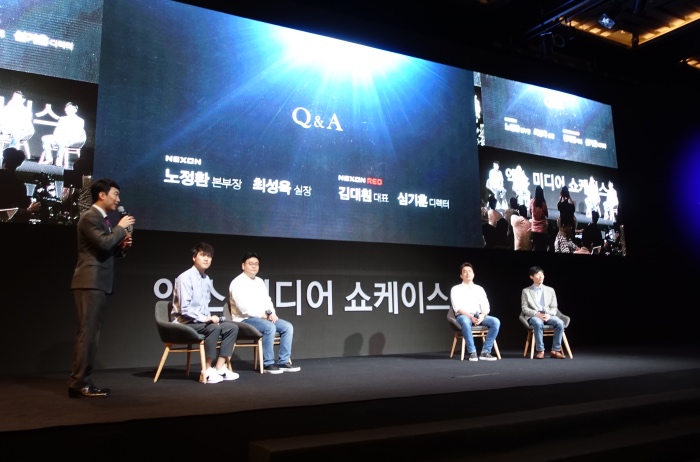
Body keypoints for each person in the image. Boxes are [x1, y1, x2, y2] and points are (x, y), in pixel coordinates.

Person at [68, 178, 135, 398]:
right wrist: (120, 228)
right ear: (102, 195)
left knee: (91, 335)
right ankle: (79, 384)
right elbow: (104, 242)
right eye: (116, 194)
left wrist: (121, 246)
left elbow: (106, 248)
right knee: (88, 335)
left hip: (98, 282)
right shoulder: (90, 217)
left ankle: (82, 382)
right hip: (90, 281)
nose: (118, 200)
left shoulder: (103, 220)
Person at [171, 242, 240, 383]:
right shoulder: (185, 277)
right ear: (194, 257)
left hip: (200, 321)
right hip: (184, 323)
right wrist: (206, 319)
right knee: (213, 328)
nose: (206, 259)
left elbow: (204, 306)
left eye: (209, 256)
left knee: (232, 327)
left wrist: (208, 318)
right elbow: (185, 309)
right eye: (203, 255)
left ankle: (219, 367)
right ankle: (207, 370)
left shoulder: (206, 279)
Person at [229, 252, 300, 374]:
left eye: (256, 264)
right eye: (250, 263)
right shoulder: (237, 282)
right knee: (269, 327)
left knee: (287, 327)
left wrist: (272, 313)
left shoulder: (260, 281)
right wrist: (262, 315)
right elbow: (243, 307)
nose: (254, 266)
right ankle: (268, 363)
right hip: (244, 320)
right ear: (243, 266)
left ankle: (283, 362)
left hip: (262, 318)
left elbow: (267, 300)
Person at [449, 262, 500, 361]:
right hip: (463, 315)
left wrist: (482, 315)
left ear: (473, 274)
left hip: (478, 315)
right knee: (465, 322)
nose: (467, 273)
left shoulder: (479, 289)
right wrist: (470, 316)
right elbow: (457, 307)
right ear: (461, 275)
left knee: (495, 321)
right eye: (464, 272)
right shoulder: (455, 289)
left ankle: (485, 351)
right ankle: (472, 352)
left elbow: (486, 306)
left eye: (470, 271)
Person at [520, 266, 566, 359]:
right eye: (538, 274)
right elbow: (524, 308)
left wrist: (549, 314)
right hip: (534, 315)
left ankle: (555, 350)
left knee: (560, 323)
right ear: (531, 277)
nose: (541, 276)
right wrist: (536, 314)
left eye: (542, 274)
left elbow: (554, 307)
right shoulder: (526, 291)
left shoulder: (550, 290)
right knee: (538, 323)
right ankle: (540, 350)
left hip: (548, 314)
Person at [39, 102, 86, 167]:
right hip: (60, 137)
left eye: (69, 109)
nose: (66, 110)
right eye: (66, 108)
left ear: (75, 110)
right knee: (45, 138)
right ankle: (49, 159)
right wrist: (56, 135)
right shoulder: (62, 118)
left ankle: (59, 160)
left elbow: (77, 133)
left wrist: (65, 136)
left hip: (73, 140)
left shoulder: (80, 120)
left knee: (61, 140)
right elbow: (57, 130)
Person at [0, 147, 40, 221]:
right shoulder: (19, 185)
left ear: (4, 161)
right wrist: (29, 210)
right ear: (18, 164)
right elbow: (18, 211)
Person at [529, 185, 549, 251]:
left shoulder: (531, 201)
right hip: (542, 229)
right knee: (542, 247)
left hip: (534, 228)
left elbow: (530, 212)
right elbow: (547, 214)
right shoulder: (543, 203)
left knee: (535, 247)